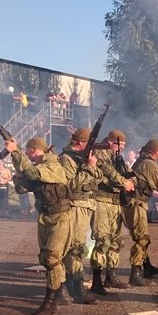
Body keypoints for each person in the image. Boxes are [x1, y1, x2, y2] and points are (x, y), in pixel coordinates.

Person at [6, 136, 71, 315]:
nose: (27, 154)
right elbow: (22, 188)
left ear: (36, 150)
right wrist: (18, 174)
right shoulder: (36, 166)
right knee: (46, 258)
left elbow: (33, 174)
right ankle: (60, 291)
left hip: (61, 217)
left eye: (29, 151)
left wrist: (16, 152)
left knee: (51, 258)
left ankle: (50, 302)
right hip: (44, 216)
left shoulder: (53, 165)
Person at [121, 139, 158, 285]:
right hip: (136, 203)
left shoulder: (144, 161)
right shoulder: (149, 164)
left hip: (136, 202)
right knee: (141, 239)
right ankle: (135, 274)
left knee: (144, 238)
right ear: (154, 151)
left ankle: (146, 267)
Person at [59, 128, 102, 303]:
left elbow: (98, 178)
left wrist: (91, 167)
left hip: (85, 207)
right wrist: (88, 168)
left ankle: (75, 289)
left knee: (77, 248)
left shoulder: (81, 158)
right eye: (88, 143)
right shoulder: (66, 159)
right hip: (75, 207)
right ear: (80, 143)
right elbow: (71, 185)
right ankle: (72, 290)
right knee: (73, 249)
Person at [90, 129, 135, 295]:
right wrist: (123, 181)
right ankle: (96, 281)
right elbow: (108, 171)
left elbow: (124, 172)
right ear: (110, 141)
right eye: (118, 144)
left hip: (115, 202)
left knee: (116, 241)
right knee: (102, 241)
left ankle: (111, 276)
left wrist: (130, 181)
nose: (121, 147)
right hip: (101, 200)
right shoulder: (100, 152)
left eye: (123, 144)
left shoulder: (118, 157)